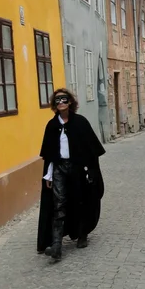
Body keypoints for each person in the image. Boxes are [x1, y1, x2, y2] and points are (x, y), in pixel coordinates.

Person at [37, 88, 105, 261]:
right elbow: (50, 155)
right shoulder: (52, 126)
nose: (61, 103)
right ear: (54, 104)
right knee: (58, 205)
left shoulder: (80, 123)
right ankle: (57, 246)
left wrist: (91, 171)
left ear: (70, 102)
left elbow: (90, 150)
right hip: (59, 168)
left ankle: (82, 234)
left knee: (79, 201)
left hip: (77, 169)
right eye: (58, 100)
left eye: (64, 99)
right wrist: (49, 176)